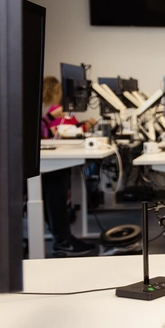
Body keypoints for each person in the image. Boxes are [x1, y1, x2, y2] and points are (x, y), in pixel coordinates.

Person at [40, 76, 97, 257]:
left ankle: (62, 236)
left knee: (59, 179)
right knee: (56, 183)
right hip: (39, 163)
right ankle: (62, 240)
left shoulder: (49, 112)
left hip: (43, 159)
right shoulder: (51, 111)